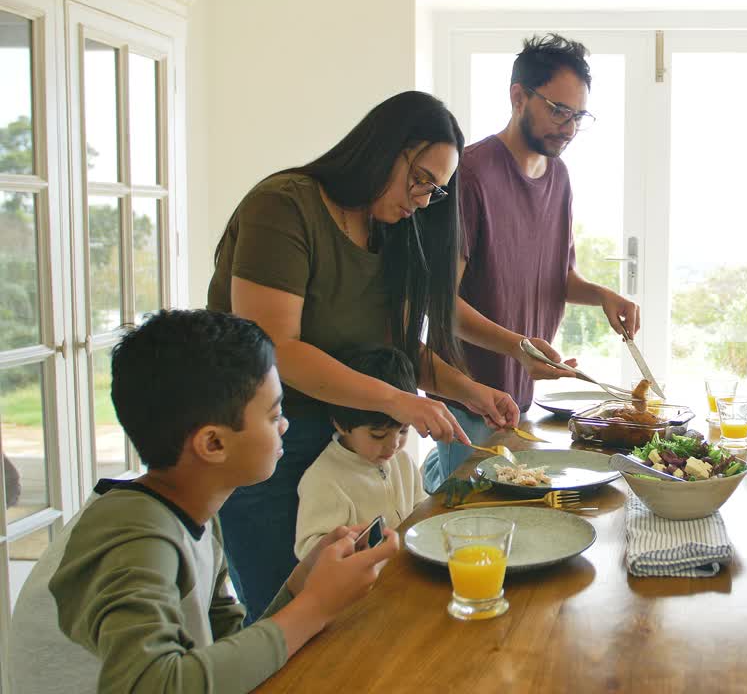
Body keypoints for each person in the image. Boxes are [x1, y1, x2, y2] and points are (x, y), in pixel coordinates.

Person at [207, 91, 519, 620]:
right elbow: (275, 348)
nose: (423, 199)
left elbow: (399, 347)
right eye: (419, 178)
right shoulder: (284, 205)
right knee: (284, 622)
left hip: (350, 440)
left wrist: (473, 392)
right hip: (265, 443)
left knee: (362, 618)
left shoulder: (391, 230)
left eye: (435, 191)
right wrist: (399, 402)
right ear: (381, 148)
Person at [6, 309, 399, 693]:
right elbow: (152, 683)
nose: (285, 425)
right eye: (274, 414)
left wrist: (300, 589)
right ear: (213, 443)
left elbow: (222, 655)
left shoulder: (192, 506)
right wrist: (314, 606)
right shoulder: (131, 536)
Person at [425, 34, 639, 492]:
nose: (568, 127)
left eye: (578, 115)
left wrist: (602, 294)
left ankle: (436, 477)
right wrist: (521, 347)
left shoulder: (558, 177)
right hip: (468, 401)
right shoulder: (471, 175)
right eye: (558, 110)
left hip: (517, 400)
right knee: (473, 527)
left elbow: (557, 277)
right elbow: (441, 308)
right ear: (518, 96)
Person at [295, 346, 427, 559]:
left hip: (405, 569)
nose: (394, 445)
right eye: (378, 435)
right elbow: (309, 551)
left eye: (403, 430)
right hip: (364, 585)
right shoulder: (324, 479)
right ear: (341, 425)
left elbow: (420, 506)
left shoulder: (401, 460)